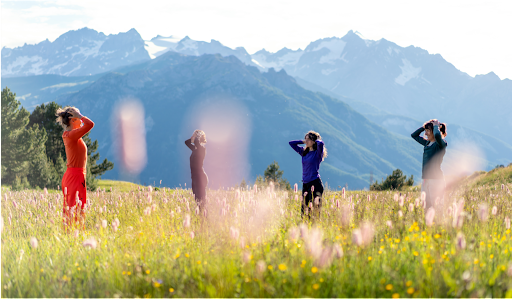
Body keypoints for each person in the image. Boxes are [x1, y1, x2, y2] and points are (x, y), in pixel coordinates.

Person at [56, 107, 94, 230]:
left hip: (76, 176)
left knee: (76, 209)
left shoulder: (72, 135)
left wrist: (78, 116)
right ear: (73, 120)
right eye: (78, 117)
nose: (81, 120)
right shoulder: (71, 135)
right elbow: (90, 124)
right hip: (74, 177)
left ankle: (73, 236)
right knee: (74, 210)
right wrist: (81, 115)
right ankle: (71, 237)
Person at [289, 131, 328, 219]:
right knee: (304, 210)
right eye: (305, 139)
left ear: (314, 141)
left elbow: (321, 143)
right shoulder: (304, 152)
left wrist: (316, 139)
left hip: (315, 183)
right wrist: (304, 141)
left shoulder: (317, 153)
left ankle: (315, 228)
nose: (306, 141)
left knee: (314, 210)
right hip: (305, 184)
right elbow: (291, 143)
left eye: (309, 139)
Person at [411, 119, 448, 211]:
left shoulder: (440, 145)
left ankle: (439, 224)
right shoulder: (427, 143)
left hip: (436, 180)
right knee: (426, 207)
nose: (425, 134)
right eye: (425, 131)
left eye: (428, 131)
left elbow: (436, 135)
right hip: (426, 179)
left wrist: (435, 126)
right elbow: (414, 135)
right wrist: (424, 127)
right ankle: (429, 225)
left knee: (437, 207)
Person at [185, 130, 208, 207]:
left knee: (202, 202)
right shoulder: (195, 149)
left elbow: (197, 142)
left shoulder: (202, 149)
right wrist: (192, 138)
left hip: (200, 177)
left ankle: (204, 218)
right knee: (197, 201)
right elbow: (186, 142)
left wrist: (198, 136)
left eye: (194, 136)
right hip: (194, 177)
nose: (193, 137)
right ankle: (201, 217)